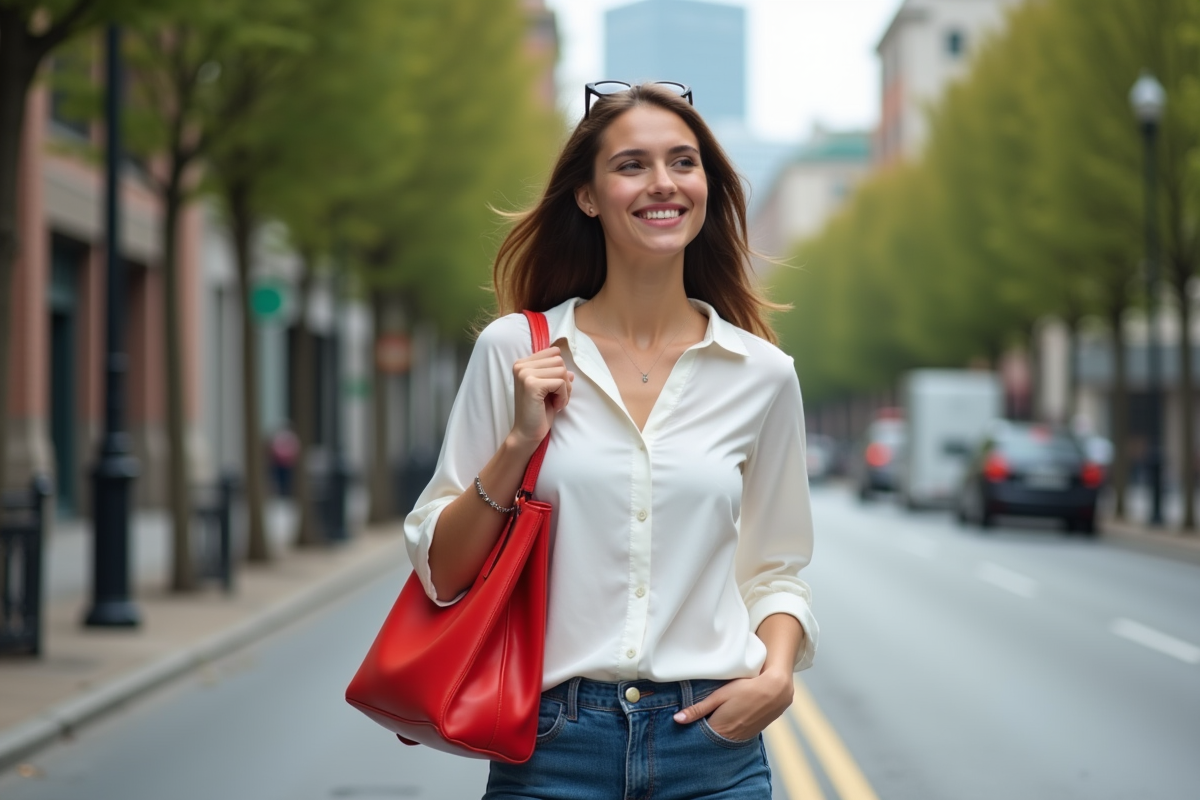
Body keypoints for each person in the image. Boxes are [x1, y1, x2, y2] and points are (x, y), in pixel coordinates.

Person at [404, 81, 818, 799]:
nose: (663, 183)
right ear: (588, 195)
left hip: (711, 747)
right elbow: (442, 570)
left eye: (683, 162)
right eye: (632, 165)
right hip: (552, 746)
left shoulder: (763, 374)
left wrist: (776, 677)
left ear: (707, 187)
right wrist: (517, 444)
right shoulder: (514, 351)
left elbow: (775, 567)